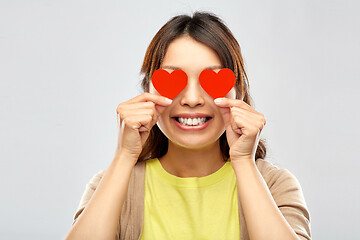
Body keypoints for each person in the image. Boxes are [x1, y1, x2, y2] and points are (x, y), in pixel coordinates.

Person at [65, 11, 311, 240]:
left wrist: (244, 162)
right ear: (147, 92)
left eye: (210, 80)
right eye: (174, 79)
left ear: (239, 92)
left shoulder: (275, 184)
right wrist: (124, 156)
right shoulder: (113, 185)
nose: (192, 99)